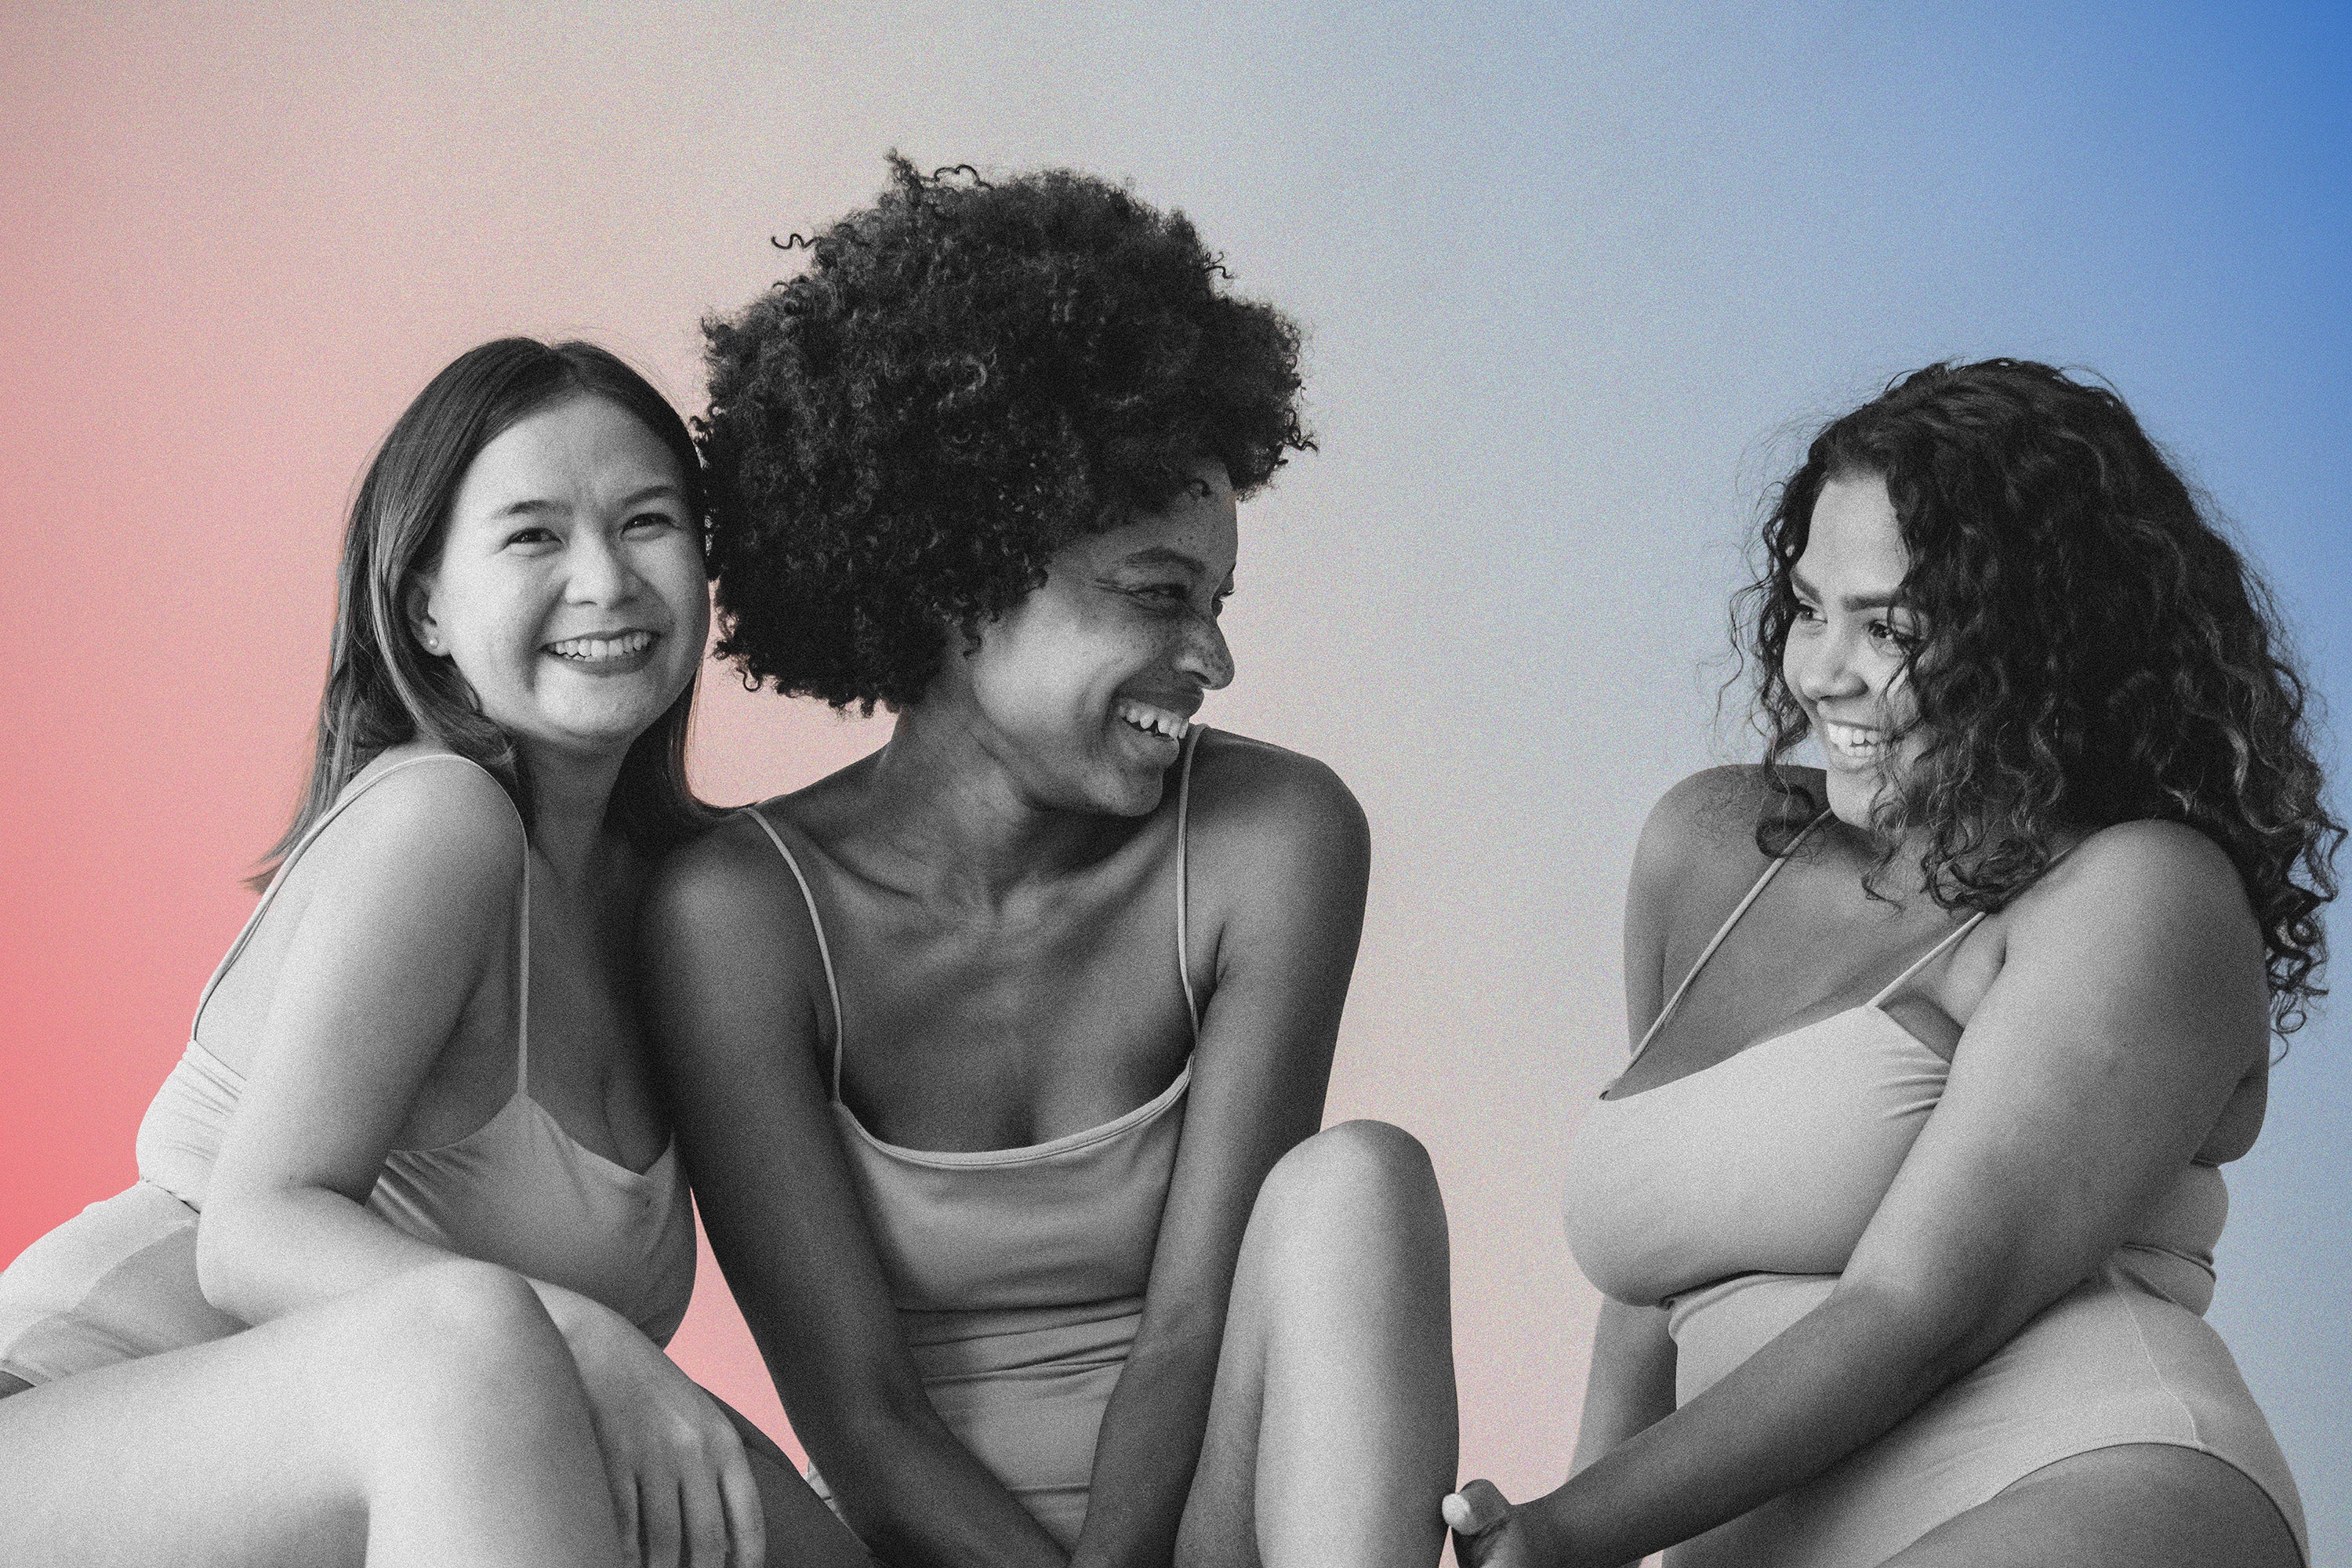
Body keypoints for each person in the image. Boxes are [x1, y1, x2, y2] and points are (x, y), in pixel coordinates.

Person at [644, 157, 1459, 1568]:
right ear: (962, 580)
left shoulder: (1276, 838)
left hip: (1222, 1527)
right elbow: (866, 1424)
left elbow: (1196, 1325)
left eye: (1215, 602)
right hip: (935, 1548)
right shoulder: (739, 916)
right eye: (1158, 596)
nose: (1210, 658)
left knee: (1357, 1184)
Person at [1446, 359, 2335, 1568]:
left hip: (2073, 1482)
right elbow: (1651, 1298)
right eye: (1811, 607)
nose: (1823, 672)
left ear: (2046, 642)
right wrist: (1572, 1536)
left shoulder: (2141, 894)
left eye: (1892, 626)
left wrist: (1562, 1536)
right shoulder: (1712, 847)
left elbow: (1917, 1307)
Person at [0, 338, 769, 1568]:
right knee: (473, 1334)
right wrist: (587, 1341)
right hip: (50, 1449)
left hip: (360, 1497)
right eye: (533, 536)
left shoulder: (686, 912)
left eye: (647, 523)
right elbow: (251, 1231)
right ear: (425, 608)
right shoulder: (439, 817)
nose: (604, 580)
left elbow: (657, 1426)